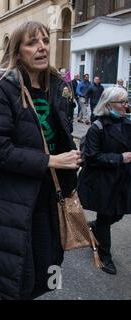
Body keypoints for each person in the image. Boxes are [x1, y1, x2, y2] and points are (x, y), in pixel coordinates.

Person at [0, 21, 80, 300]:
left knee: (46, 271)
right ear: (18, 51)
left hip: (50, 195)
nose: (42, 47)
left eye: (45, 40)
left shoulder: (57, 86)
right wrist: (50, 161)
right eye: (32, 42)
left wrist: (71, 158)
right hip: (13, 200)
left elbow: (60, 134)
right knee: (16, 275)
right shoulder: (1, 89)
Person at [78, 87, 131, 275]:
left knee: (118, 213)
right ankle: (104, 255)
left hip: (123, 179)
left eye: (126, 101)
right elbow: (92, 157)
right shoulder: (97, 127)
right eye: (122, 102)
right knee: (106, 216)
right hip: (103, 181)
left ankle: (95, 227)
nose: (126, 105)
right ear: (109, 105)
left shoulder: (127, 123)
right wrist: (119, 158)